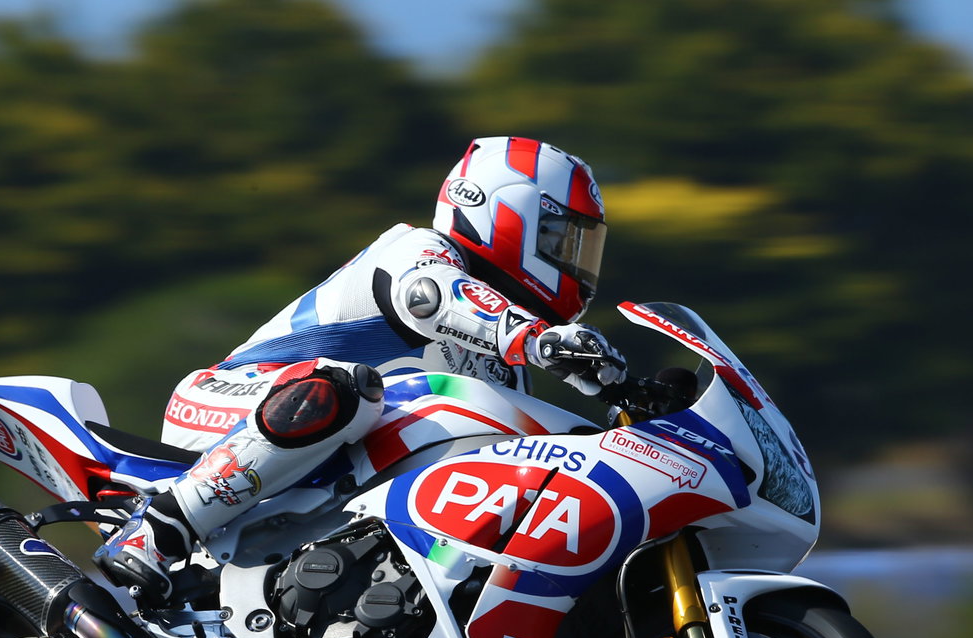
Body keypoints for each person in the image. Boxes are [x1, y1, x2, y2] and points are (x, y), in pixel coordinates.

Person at [95, 136, 627, 600]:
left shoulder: (504, 371)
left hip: (318, 465)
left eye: (584, 247)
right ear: (503, 213)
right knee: (350, 389)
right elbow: (430, 298)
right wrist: (540, 340)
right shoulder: (420, 252)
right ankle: (158, 529)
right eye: (563, 241)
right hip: (228, 406)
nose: (576, 263)